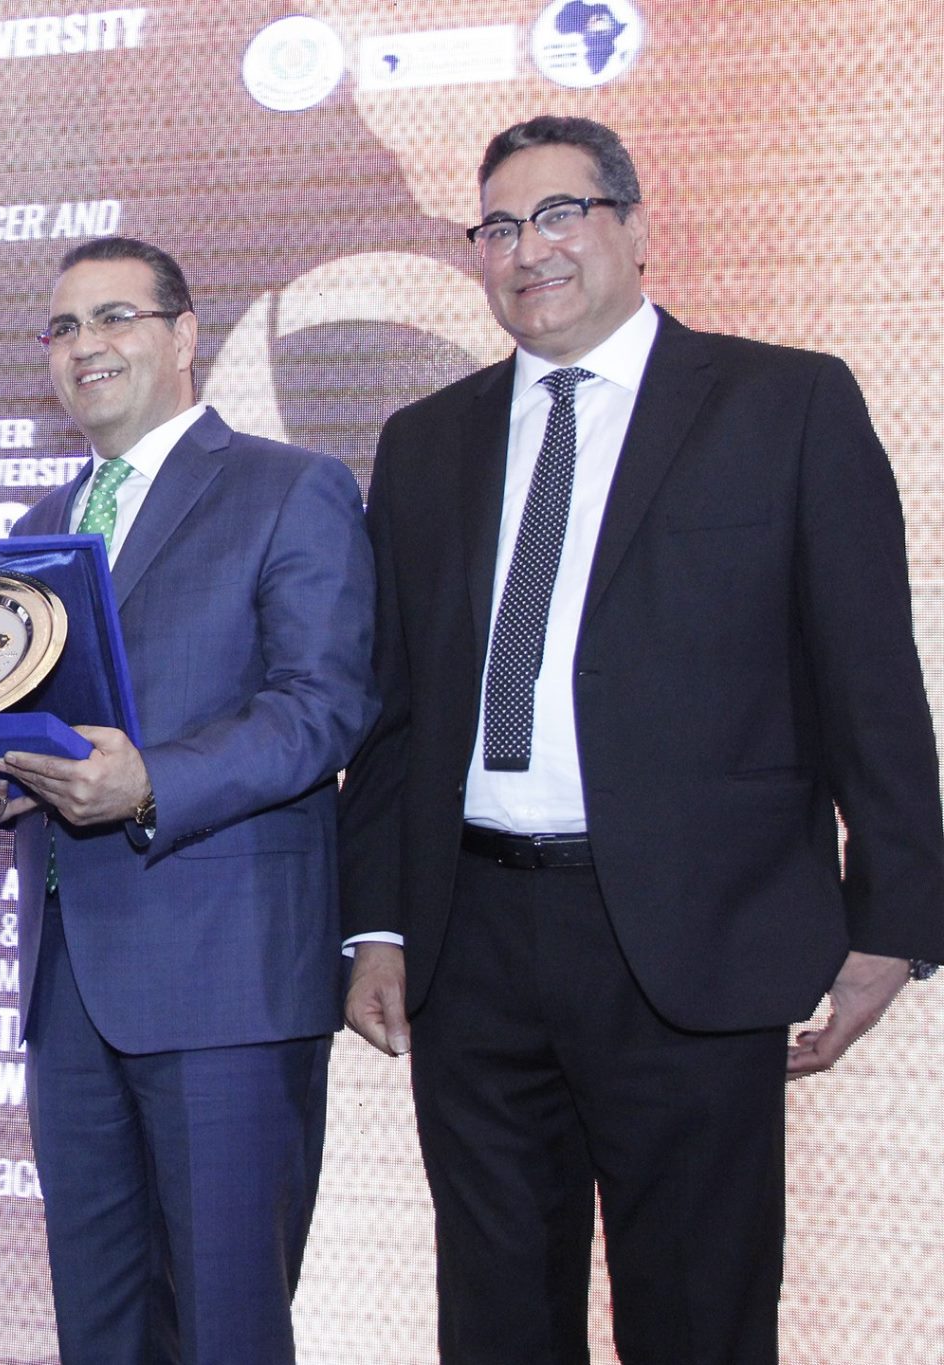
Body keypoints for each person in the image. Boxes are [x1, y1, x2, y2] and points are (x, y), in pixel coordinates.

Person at [338, 114, 944, 1363]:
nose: (527, 250)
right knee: (494, 1322)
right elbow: (394, 709)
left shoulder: (784, 403)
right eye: (497, 227)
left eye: (558, 214)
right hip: (471, 941)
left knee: (696, 1320)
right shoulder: (423, 442)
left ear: (634, 228)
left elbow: (869, 681)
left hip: (693, 935)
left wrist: (893, 919)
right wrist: (376, 923)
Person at [0, 236, 377, 1363]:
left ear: (183, 335)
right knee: (99, 1329)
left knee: (225, 1328)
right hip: (70, 985)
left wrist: (152, 780)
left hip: (227, 978)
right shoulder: (34, 533)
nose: (85, 345)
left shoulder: (288, 486)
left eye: (114, 317)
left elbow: (323, 706)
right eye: (63, 327)